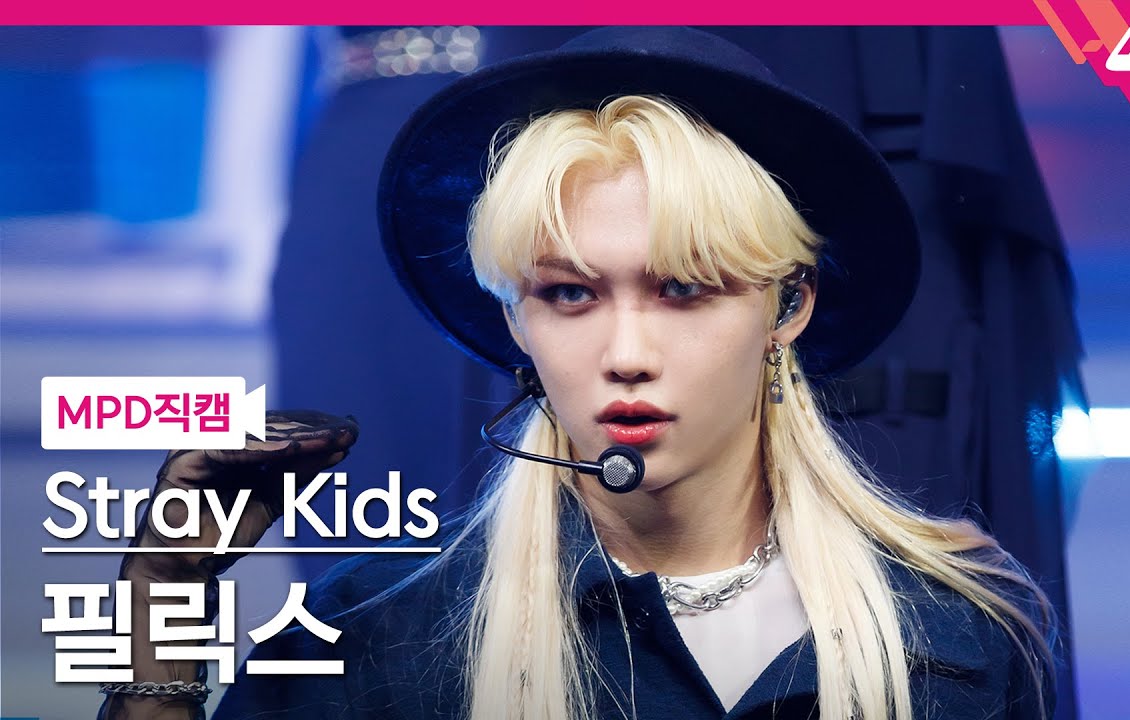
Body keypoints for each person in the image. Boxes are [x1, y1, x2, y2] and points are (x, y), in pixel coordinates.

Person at [100, 26, 1058, 720]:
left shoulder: (958, 639)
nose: (626, 353)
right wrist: (160, 612)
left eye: (684, 288)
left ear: (788, 306)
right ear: (513, 317)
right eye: (568, 294)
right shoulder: (378, 645)